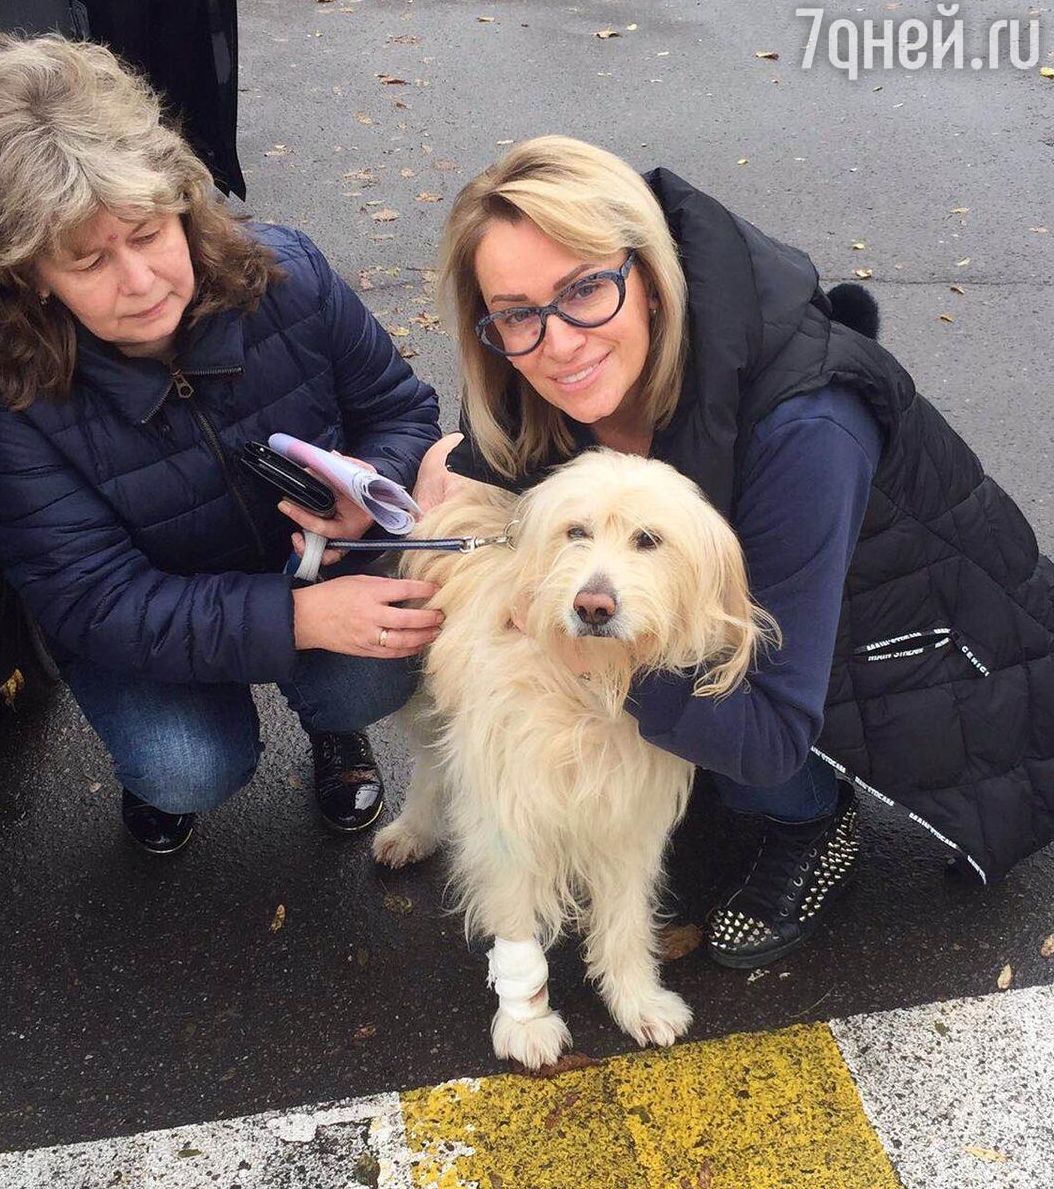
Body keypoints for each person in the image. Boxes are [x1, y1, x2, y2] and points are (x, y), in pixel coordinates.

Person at [416, 135, 1054, 969]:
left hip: (914, 656)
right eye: (517, 312)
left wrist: (561, 636)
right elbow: (479, 470)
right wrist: (432, 481)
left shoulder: (810, 432)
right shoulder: (532, 358)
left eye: (586, 289)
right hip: (755, 610)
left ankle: (810, 825)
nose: (559, 342)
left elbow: (769, 729)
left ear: (649, 276)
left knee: (748, 754)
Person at [0, 26, 443, 853]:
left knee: (380, 669)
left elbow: (401, 411)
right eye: (88, 263)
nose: (140, 283)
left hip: (316, 562)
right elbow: (91, 600)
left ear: (183, 208)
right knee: (187, 767)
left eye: (147, 233)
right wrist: (300, 619)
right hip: (146, 614)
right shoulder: (10, 393)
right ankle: (156, 773)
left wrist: (367, 489)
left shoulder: (288, 276)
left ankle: (330, 728)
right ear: (29, 276)